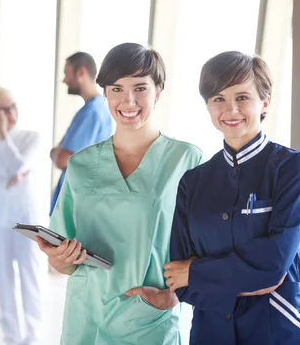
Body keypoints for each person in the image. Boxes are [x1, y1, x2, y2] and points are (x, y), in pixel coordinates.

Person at [36, 43, 204, 344]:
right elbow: (62, 261)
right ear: (105, 93)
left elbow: (206, 250)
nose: (128, 100)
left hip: (148, 319)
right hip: (86, 317)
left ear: (159, 90)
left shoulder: (186, 160)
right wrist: (60, 258)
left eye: (140, 88)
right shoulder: (81, 165)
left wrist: (175, 296)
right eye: (116, 89)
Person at [165, 51, 300, 344]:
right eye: (218, 99)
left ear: (264, 101)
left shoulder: (292, 167)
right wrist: (247, 277)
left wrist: (197, 272)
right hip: (210, 333)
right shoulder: (193, 182)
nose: (230, 109)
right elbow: (179, 281)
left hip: (279, 328)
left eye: (242, 97)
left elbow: (275, 264)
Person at [0, 87, 43, 345]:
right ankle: (11, 338)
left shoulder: (31, 138)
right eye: (2, 110)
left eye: (12, 107)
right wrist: (8, 181)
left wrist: (5, 136)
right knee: (3, 281)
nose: (9, 114)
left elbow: (20, 165)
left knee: (29, 276)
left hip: (26, 218)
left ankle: (33, 336)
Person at [49, 52, 113, 216]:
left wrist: (56, 153)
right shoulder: (92, 110)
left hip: (77, 206)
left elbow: (63, 158)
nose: (64, 80)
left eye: (67, 73)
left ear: (81, 72)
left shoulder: (92, 112)